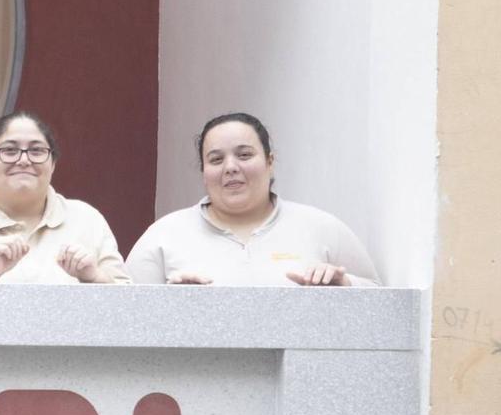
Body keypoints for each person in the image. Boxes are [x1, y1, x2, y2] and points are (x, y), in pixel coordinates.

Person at [126, 112, 379, 286]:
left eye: (244, 155)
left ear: (270, 162)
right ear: (204, 172)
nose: (230, 167)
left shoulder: (321, 228)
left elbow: (382, 307)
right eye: (216, 160)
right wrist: (167, 303)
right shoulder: (164, 235)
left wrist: (345, 285)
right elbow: (121, 316)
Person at [0, 112, 128, 284]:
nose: (24, 160)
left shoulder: (87, 219)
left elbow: (131, 308)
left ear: (53, 164)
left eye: (36, 151)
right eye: (9, 150)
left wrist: (94, 277)